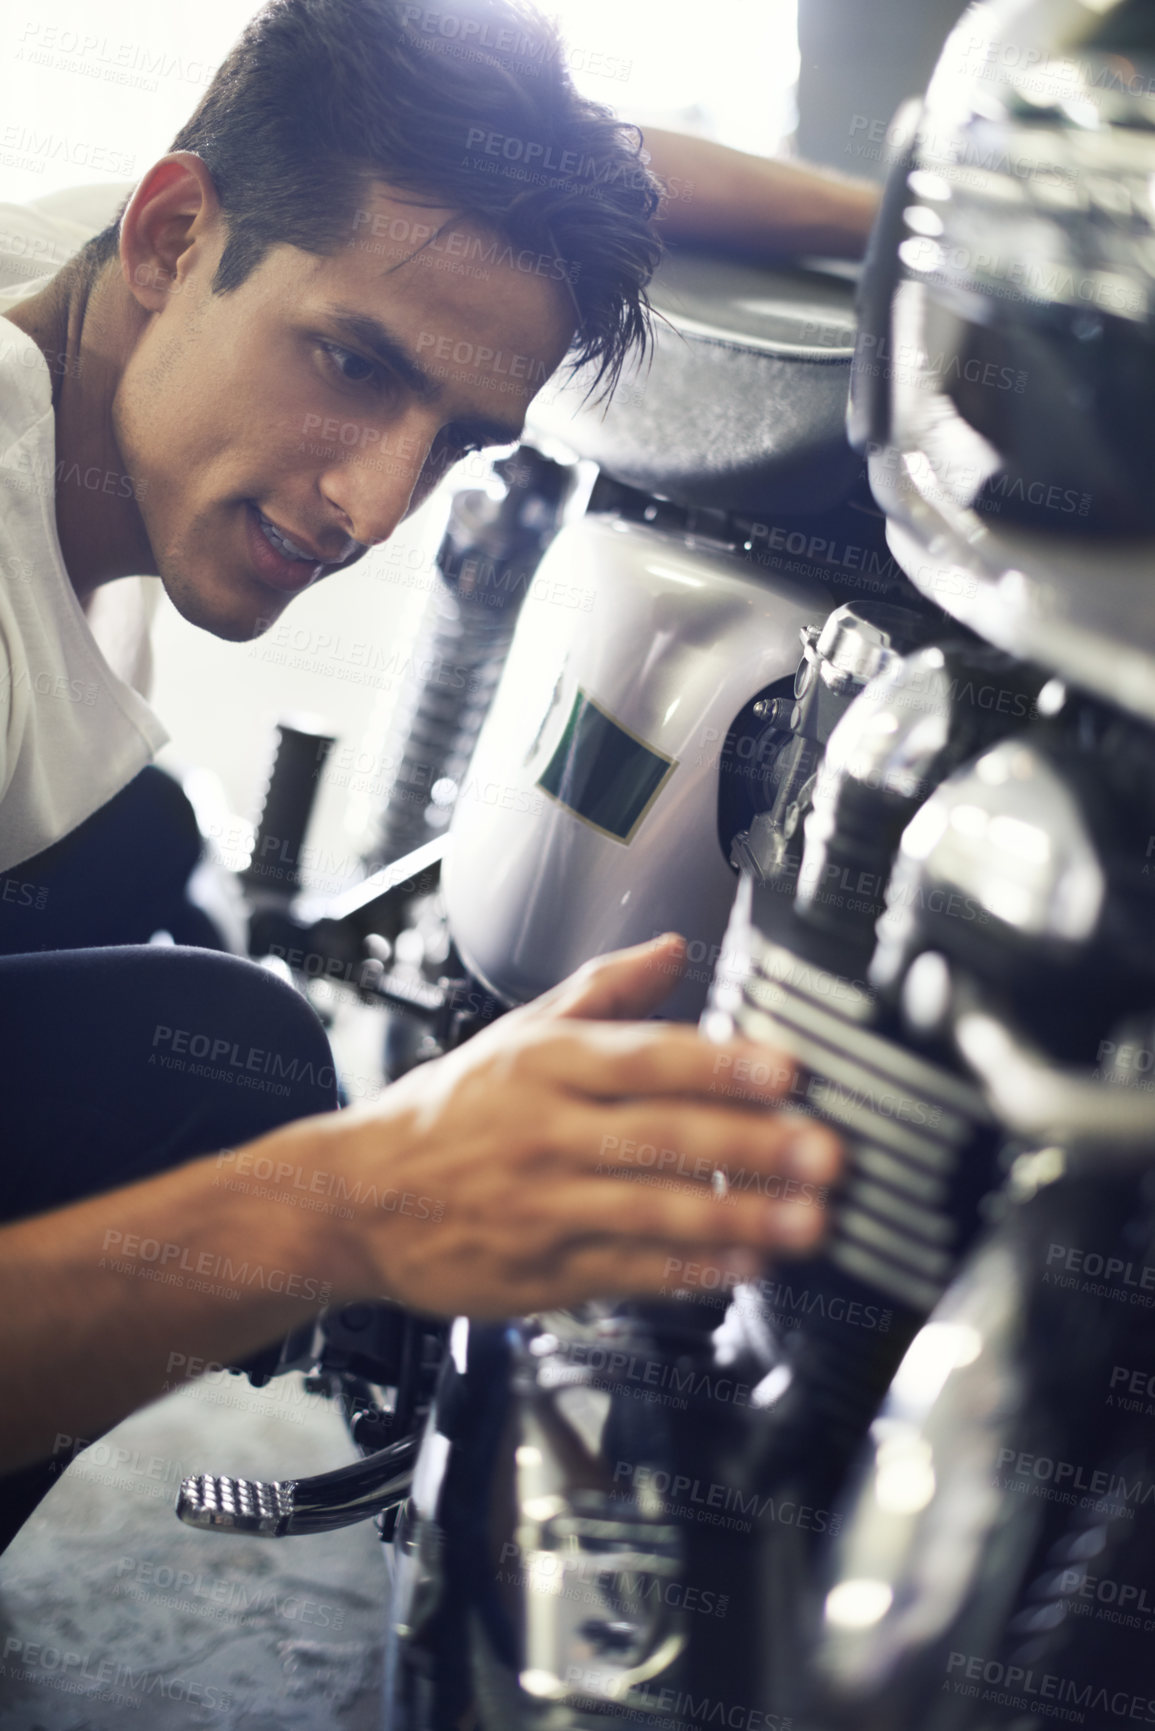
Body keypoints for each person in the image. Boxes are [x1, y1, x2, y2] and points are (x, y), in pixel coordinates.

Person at [0, 0, 872, 1545]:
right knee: (222, 1065)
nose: (377, 500)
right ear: (174, 236)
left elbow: (558, 178)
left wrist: (912, 231)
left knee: (150, 868)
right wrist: (363, 1203)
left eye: (459, 437)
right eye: (350, 363)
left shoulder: (126, 252)